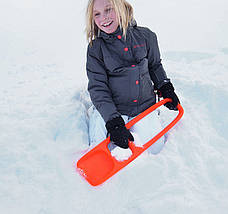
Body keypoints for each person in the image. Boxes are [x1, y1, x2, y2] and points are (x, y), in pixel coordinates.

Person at [85, 0, 180, 154]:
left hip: (144, 108)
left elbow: (154, 65)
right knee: (104, 153)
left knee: (154, 151)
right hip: (113, 110)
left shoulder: (146, 36)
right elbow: (98, 88)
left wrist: (165, 87)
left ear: (121, 8)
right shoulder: (96, 49)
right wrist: (113, 121)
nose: (103, 18)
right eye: (97, 14)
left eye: (108, 10)